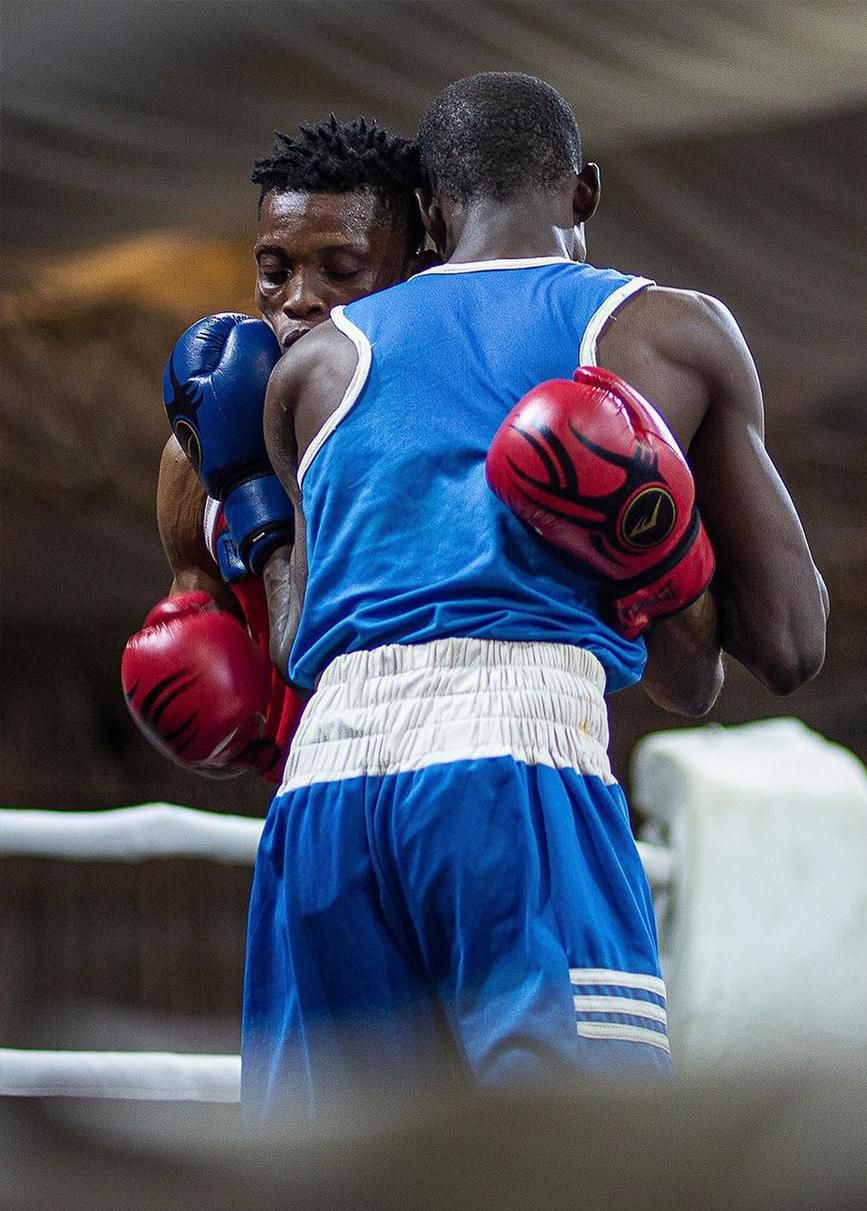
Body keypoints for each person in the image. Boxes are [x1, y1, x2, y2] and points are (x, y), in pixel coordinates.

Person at [241, 73, 827, 1118]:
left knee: (340, 1194)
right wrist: (656, 548)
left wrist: (244, 525)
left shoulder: (311, 371)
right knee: (584, 1179)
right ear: (584, 190)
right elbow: (787, 642)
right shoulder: (666, 332)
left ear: (429, 217)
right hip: (514, 769)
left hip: (323, 791)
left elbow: (301, 644)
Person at [122, 117, 429, 782]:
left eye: (340, 270)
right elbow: (219, 654)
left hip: (444, 772)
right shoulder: (195, 461)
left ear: (415, 276)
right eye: (274, 272)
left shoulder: (442, 429)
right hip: (312, 790)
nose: (299, 300)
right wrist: (222, 727)